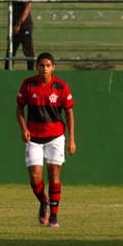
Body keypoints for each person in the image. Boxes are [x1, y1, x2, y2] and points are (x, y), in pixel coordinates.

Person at [16, 52, 76, 228]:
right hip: (34, 137)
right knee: (35, 177)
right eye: (41, 65)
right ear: (37, 67)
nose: (45, 68)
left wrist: (71, 139)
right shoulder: (28, 84)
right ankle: (44, 202)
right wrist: (24, 129)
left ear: (53, 67)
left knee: (54, 174)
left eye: (48, 65)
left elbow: (69, 112)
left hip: (55, 136)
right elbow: (19, 109)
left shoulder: (61, 86)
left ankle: (54, 217)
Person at [7, 0, 34, 71]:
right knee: (10, 51)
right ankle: (7, 72)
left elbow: (29, 6)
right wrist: (13, 25)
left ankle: (31, 73)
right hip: (14, 27)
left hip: (24, 26)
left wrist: (19, 23)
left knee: (28, 52)